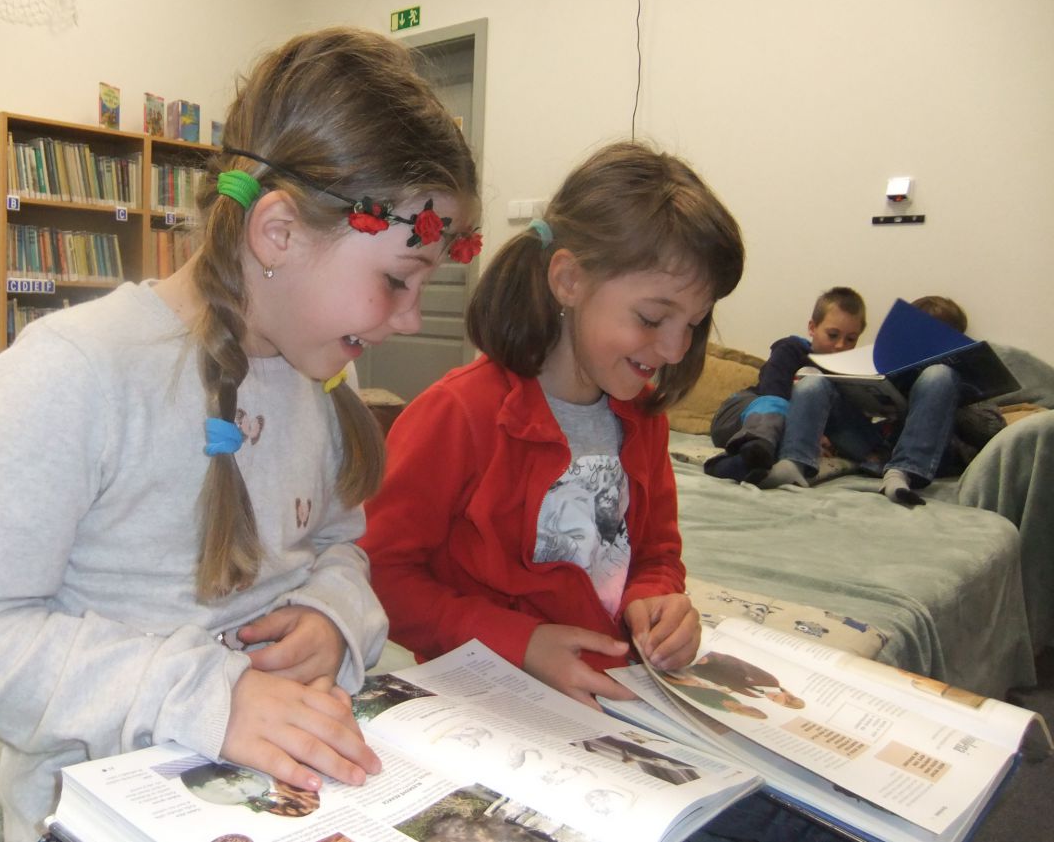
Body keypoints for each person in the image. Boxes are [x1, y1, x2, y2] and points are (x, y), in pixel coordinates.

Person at [0, 27, 480, 841]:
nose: (410, 319)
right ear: (277, 233)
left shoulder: (317, 375)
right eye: (395, 281)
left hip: (294, 788)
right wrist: (211, 695)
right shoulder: (75, 371)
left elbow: (340, 545)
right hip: (103, 804)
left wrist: (333, 614)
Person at [360, 141, 745, 711]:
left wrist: (658, 600)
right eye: (652, 318)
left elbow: (656, 552)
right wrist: (521, 642)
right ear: (569, 280)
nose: (674, 348)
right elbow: (381, 574)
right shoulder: (458, 415)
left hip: (615, 698)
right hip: (490, 701)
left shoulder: (643, 419)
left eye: (694, 323)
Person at [762, 295, 1005, 505]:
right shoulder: (895, 361)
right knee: (814, 379)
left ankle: (902, 474)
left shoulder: (959, 379)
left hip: (928, 455)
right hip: (876, 450)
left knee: (938, 375)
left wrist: (947, 399)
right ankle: (793, 463)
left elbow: (993, 428)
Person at [704, 287, 866, 483]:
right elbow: (772, 386)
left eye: (851, 339)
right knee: (776, 404)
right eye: (832, 335)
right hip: (740, 412)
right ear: (812, 328)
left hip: (773, 436)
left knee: (794, 441)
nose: (841, 345)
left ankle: (736, 465)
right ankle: (758, 445)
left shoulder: (845, 377)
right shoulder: (792, 349)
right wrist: (811, 433)